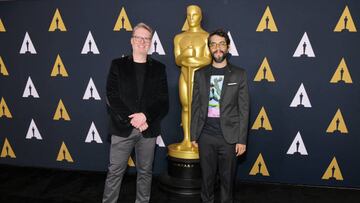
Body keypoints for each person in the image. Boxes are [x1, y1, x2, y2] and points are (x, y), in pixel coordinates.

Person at [103, 22, 169, 203]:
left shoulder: (159, 68)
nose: (142, 42)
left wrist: (145, 116)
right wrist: (132, 119)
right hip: (122, 128)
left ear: (150, 42)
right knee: (115, 171)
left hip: (148, 129)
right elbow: (111, 96)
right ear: (132, 41)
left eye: (146, 39)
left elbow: (163, 101)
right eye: (138, 38)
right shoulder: (117, 65)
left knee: (145, 172)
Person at [190, 29, 250, 203]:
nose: (218, 48)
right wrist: (194, 134)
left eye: (222, 44)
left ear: (228, 47)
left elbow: (244, 109)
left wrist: (242, 139)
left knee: (227, 183)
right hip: (205, 136)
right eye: (214, 44)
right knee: (206, 181)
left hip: (229, 138)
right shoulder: (200, 74)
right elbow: (195, 106)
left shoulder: (239, 74)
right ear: (209, 48)